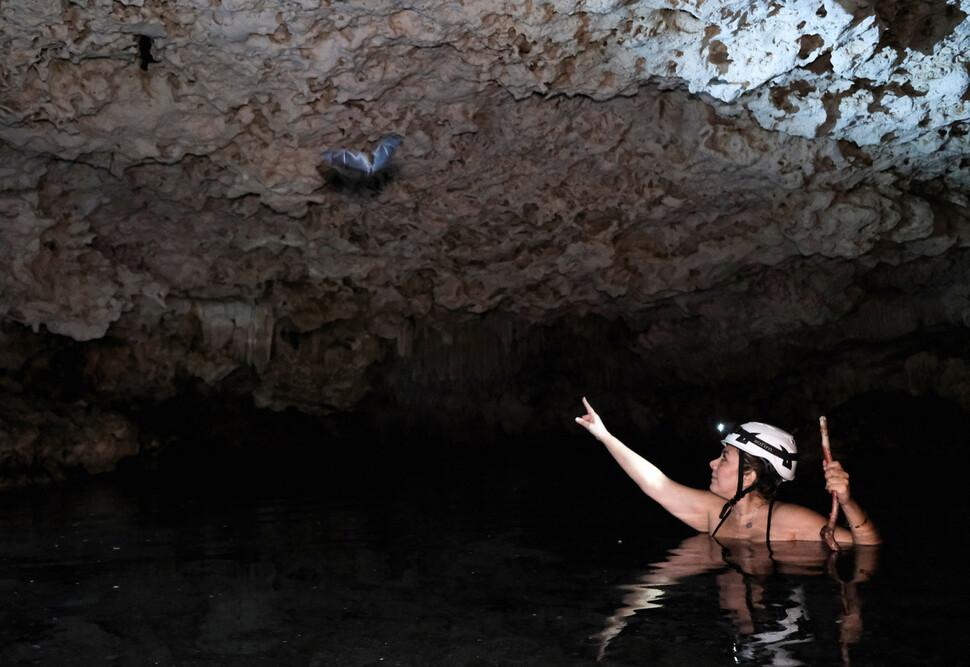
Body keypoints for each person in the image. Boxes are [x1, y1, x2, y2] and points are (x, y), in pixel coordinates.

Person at [574, 397, 880, 546]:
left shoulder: (788, 520)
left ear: (748, 477)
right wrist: (605, 436)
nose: (712, 464)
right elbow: (656, 484)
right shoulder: (715, 512)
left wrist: (848, 502)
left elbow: (867, 546)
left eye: (724, 458)